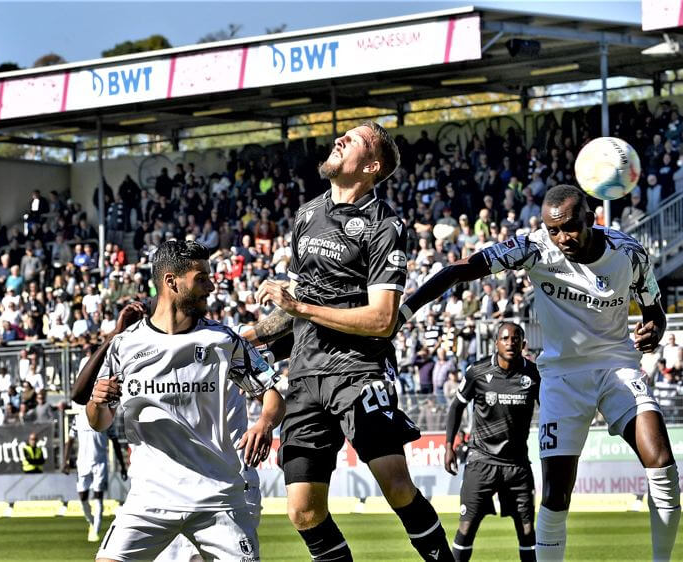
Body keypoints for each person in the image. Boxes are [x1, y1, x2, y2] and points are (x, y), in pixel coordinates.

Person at [396, 184, 680, 561]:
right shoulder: (534, 248)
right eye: (553, 230)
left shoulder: (628, 253)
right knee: (556, 495)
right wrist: (404, 311)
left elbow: (654, 312)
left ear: (590, 218)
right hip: (561, 380)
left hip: (617, 368)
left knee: (661, 462)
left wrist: (653, 331)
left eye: (569, 228)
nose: (562, 238)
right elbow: (460, 270)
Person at [250, 121, 452, 561]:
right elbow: (294, 304)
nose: (340, 139)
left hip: (358, 372)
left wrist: (301, 308)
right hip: (304, 375)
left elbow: (381, 320)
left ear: (373, 165)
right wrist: (248, 335)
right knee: (303, 511)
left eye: (354, 140)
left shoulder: (386, 226)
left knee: (397, 487)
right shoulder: (306, 214)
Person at [84, 240, 284, 561]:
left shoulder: (223, 341)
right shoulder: (124, 345)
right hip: (149, 497)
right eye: (201, 277)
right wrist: (96, 402)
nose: (211, 284)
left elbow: (271, 394)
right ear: (171, 281)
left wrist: (265, 421)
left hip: (218, 498)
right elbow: (100, 421)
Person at [444, 323, 539, 561]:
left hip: (517, 465)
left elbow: (551, 411)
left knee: (528, 533)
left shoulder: (534, 375)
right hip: (481, 462)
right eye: (505, 338)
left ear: (523, 343)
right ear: (496, 343)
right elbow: (456, 406)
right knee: (466, 529)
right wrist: (449, 446)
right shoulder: (477, 372)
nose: (510, 343)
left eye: (515, 338)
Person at [63, 409, 129, 542]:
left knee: (98, 496)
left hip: (100, 463)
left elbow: (115, 442)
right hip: (83, 464)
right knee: (83, 497)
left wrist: (122, 465)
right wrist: (65, 461)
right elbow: (70, 440)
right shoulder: (78, 418)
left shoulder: (106, 419)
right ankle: (92, 522)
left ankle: (96, 530)